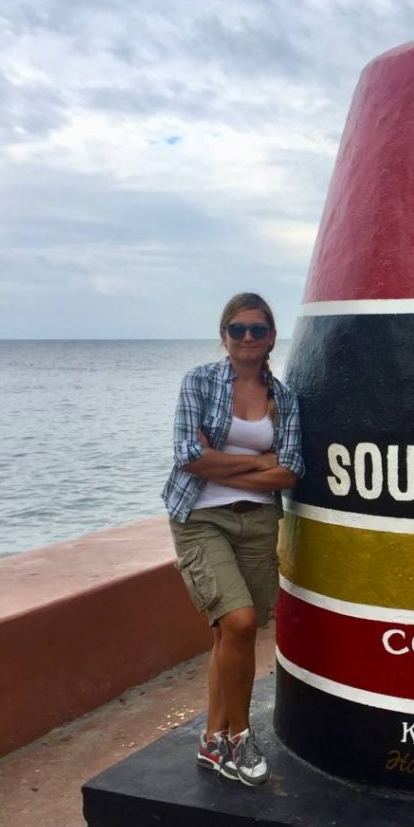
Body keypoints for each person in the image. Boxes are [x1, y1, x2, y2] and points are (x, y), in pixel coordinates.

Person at [162, 292, 303, 786]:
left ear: (271, 338)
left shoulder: (283, 399)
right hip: (201, 518)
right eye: (238, 329)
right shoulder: (200, 381)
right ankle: (240, 738)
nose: (248, 337)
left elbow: (290, 472)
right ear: (224, 336)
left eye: (257, 330)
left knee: (230, 633)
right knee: (240, 623)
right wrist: (259, 462)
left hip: (259, 522)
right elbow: (188, 456)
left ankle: (211, 739)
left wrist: (230, 464)